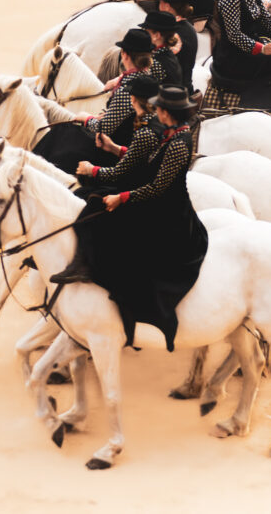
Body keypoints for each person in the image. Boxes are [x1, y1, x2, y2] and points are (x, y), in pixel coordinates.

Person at [53, 85, 208, 353]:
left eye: (160, 108)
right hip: (159, 201)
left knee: (101, 214)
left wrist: (121, 197)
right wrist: (115, 149)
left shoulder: (178, 144)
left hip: (169, 212)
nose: (156, 110)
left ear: (168, 112)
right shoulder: (172, 134)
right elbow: (148, 162)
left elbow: (158, 187)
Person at [157, 0, 198, 92]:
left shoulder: (170, 33)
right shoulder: (190, 28)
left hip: (172, 95)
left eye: (160, 3)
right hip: (186, 89)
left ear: (166, 6)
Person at [138, 11, 183, 87]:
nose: (144, 34)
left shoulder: (154, 62)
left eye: (146, 31)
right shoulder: (169, 55)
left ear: (157, 35)